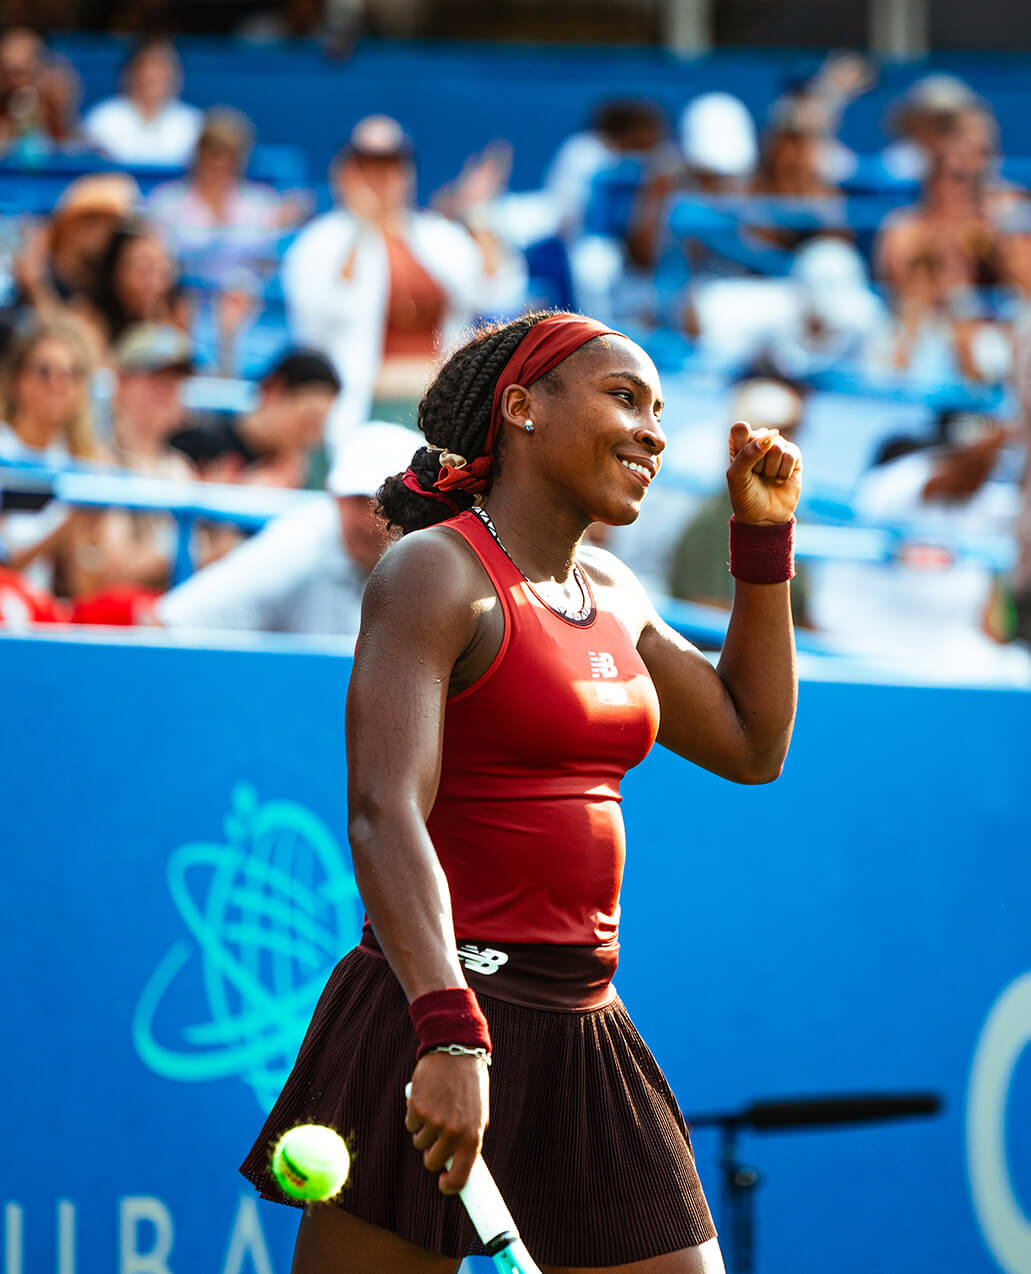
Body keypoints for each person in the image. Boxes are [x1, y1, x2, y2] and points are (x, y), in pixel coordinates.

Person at [239, 310, 802, 1273]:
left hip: (585, 1022)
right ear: (522, 408)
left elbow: (751, 741)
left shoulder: (617, 592)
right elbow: (383, 814)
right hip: (440, 1006)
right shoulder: (433, 572)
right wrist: (448, 1033)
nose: (653, 430)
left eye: (659, 409)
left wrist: (762, 540)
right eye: (623, 397)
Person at [282, 114, 526, 442]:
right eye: (369, 165)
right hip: (364, 411)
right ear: (347, 171)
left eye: (393, 165)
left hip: (445, 406)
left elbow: (497, 292)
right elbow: (318, 323)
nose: (382, 177)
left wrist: (478, 214)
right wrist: (361, 226)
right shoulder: (321, 241)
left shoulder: (437, 235)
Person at [153, 421, 415, 634]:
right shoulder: (297, 545)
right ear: (334, 495)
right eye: (357, 501)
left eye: (380, 506)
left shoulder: (418, 560)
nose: (367, 520)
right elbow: (173, 620)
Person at [146, 107, 308, 286]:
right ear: (198, 155)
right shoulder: (166, 202)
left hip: (247, 302)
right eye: (212, 154)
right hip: (181, 299)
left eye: (229, 157)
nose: (219, 164)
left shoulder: (264, 204)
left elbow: (270, 264)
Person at [0, 317, 98, 596]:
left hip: (46, 615)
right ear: (17, 381)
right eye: (44, 371)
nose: (58, 384)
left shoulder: (80, 461)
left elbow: (85, 588)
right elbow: (5, 563)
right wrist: (67, 528)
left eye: (71, 374)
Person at [168, 347, 340, 487]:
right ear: (274, 392)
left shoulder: (310, 473)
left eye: (320, 426)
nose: (313, 437)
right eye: (308, 421)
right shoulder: (195, 446)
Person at [82, 40, 201, 167]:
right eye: (146, 66)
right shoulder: (102, 118)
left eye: (161, 67)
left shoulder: (194, 123)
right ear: (130, 73)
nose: (152, 74)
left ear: (176, 75)